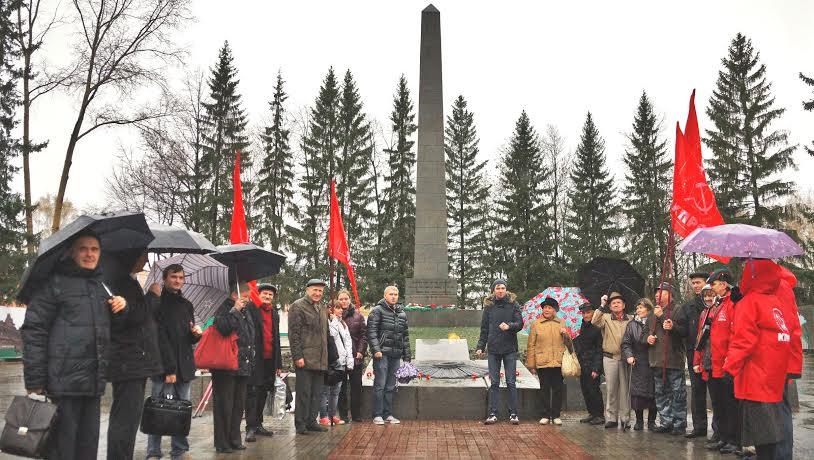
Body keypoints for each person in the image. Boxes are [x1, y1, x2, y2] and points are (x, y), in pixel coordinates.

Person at [21, 232, 125, 460]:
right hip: (63, 384)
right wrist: (34, 380)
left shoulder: (101, 286)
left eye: (94, 249)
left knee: (88, 449)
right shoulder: (53, 284)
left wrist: (120, 308)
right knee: (62, 450)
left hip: (93, 383)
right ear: (71, 252)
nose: (90, 254)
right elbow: (34, 331)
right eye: (83, 249)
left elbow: (111, 331)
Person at [724, 260, 793, 460]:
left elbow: (744, 340)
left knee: (763, 438)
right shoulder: (775, 301)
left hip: (756, 379)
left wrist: (730, 368)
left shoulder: (750, 302)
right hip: (774, 376)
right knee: (775, 434)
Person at [105, 250, 163, 460]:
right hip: (127, 362)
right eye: (142, 256)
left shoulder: (128, 282)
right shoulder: (119, 283)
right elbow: (135, 316)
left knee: (128, 420)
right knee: (125, 420)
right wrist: (153, 296)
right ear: (130, 257)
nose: (146, 260)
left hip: (135, 361)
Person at [147, 264, 201, 460]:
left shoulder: (187, 305)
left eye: (181, 277)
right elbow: (159, 338)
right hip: (163, 368)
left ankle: (179, 450)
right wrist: (169, 369)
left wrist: (195, 335)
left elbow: (186, 336)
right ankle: (153, 451)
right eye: (173, 277)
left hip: (184, 366)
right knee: (158, 410)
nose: (178, 280)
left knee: (182, 412)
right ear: (165, 278)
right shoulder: (157, 303)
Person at [695, 270, 739, 454]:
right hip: (712, 362)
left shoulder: (733, 303)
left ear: (723, 283)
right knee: (718, 403)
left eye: (713, 284)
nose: (711, 289)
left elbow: (735, 332)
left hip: (725, 362)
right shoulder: (717, 305)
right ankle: (721, 436)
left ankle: (734, 439)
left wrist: (731, 357)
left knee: (730, 404)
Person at [211, 283, 256, 453]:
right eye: (245, 295)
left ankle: (235, 439)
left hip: (242, 363)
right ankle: (222, 442)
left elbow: (250, 335)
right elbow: (222, 328)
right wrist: (234, 311)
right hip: (225, 365)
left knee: (238, 405)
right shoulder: (223, 307)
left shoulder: (246, 310)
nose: (248, 298)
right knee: (224, 405)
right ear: (234, 294)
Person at [476, 278, 523, 425]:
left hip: (509, 348)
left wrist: (509, 326)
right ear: (493, 290)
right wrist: (480, 346)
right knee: (494, 382)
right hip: (494, 349)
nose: (500, 290)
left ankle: (513, 413)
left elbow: (520, 323)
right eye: (497, 288)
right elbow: (484, 329)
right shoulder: (489, 307)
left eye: (502, 288)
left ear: (506, 289)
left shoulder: (513, 304)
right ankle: (493, 413)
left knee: (511, 381)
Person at [647, 282, 688, 436]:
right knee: (661, 393)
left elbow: (683, 331)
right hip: (656, 359)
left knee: (678, 393)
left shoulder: (678, 309)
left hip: (673, 359)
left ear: (670, 294)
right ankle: (666, 421)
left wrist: (663, 317)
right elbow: (645, 332)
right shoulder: (652, 312)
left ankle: (679, 423)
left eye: (661, 292)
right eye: (656, 293)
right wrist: (647, 338)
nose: (657, 295)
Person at [289, 279, 329, 435]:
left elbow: (325, 334)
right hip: (305, 358)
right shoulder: (298, 306)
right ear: (307, 290)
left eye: (320, 291)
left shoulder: (322, 307)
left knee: (316, 393)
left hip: (320, 359)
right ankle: (301, 424)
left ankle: (312, 421)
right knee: (304, 393)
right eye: (315, 290)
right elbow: (294, 334)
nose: (318, 293)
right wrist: (297, 356)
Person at [367, 285, 411, 425]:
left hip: (396, 354)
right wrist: (376, 350)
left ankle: (388, 414)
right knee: (380, 384)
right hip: (382, 354)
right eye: (391, 294)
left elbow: (405, 337)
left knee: (391, 385)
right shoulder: (377, 311)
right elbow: (371, 332)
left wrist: (407, 357)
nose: (393, 296)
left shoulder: (402, 313)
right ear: (385, 295)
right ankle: (377, 414)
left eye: (396, 294)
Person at [244, 284, 282, 442]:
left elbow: (277, 338)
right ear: (258, 295)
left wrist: (278, 364)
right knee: (252, 393)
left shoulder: (274, 313)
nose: (267, 297)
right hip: (255, 359)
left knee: (263, 393)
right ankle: (250, 427)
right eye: (265, 294)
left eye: (270, 295)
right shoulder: (251, 309)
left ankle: (258, 424)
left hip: (269, 360)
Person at [678, 270, 713, 439]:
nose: (695, 286)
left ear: (707, 282)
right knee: (697, 391)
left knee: (715, 392)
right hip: (694, 354)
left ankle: (718, 430)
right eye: (693, 283)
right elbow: (683, 330)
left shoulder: (714, 303)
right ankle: (699, 427)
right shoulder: (688, 307)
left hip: (713, 354)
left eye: (698, 282)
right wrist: (673, 326)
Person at [591, 291, 633, 429]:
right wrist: (602, 305)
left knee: (625, 389)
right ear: (610, 306)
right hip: (610, 358)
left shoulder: (631, 319)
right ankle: (611, 418)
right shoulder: (606, 317)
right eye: (613, 303)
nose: (616, 304)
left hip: (626, 358)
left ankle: (625, 418)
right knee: (611, 389)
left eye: (618, 302)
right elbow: (594, 321)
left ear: (624, 305)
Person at [774, 265, 803, 460]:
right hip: (768, 358)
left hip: (776, 359)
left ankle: (782, 455)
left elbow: (788, 326)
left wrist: (790, 364)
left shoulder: (779, 286)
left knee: (779, 408)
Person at [526, 297, 567, 426]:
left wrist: (566, 335)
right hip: (542, 361)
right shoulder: (536, 324)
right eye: (544, 307)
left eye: (549, 307)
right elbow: (531, 345)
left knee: (558, 389)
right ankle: (544, 414)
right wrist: (531, 364)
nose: (546, 310)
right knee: (544, 389)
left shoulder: (561, 323)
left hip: (558, 361)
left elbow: (568, 344)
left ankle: (556, 415)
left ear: (555, 310)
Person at [621, 299, 657, 432]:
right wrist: (629, 355)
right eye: (637, 308)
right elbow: (626, 343)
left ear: (648, 308)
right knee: (638, 394)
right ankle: (639, 421)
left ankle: (652, 421)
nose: (638, 310)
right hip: (638, 361)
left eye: (641, 308)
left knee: (653, 392)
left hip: (653, 361)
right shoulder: (632, 325)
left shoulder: (655, 322)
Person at [320, 301, 354, 425]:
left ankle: (332, 414)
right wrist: (333, 320)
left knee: (336, 391)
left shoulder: (342, 323)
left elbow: (348, 342)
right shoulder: (327, 322)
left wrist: (349, 360)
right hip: (331, 360)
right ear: (329, 309)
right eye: (337, 308)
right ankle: (323, 416)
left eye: (340, 308)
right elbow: (331, 335)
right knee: (326, 390)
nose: (340, 310)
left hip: (342, 361)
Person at [336, 290, 367, 423]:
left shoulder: (358, 316)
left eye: (346, 299)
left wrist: (360, 351)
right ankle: (343, 415)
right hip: (339, 359)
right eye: (341, 299)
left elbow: (363, 336)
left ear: (350, 300)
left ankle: (356, 414)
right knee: (341, 388)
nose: (343, 301)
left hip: (355, 357)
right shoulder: (334, 315)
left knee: (356, 387)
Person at [573, 303, 604, 425]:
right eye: (584, 313)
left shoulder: (597, 328)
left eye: (588, 312)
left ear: (593, 313)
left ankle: (599, 415)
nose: (586, 315)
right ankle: (592, 413)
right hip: (582, 364)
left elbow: (599, 349)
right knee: (585, 389)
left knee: (594, 390)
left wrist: (596, 368)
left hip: (592, 365)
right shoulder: (579, 326)